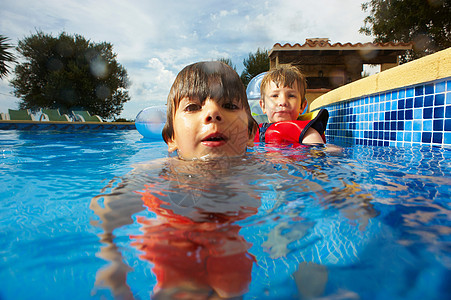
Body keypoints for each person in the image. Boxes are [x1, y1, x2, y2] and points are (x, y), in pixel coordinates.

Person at [162, 61, 258, 160]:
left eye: (229, 106)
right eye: (192, 107)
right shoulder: (152, 171)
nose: (213, 112)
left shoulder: (267, 169)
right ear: (171, 138)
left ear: (250, 134)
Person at [255, 64, 329, 145]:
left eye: (291, 96)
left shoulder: (307, 133)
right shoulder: (256, 133)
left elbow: (319, 153)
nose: (283, 102)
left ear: (302, 106)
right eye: (275, 96)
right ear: (263, 106)